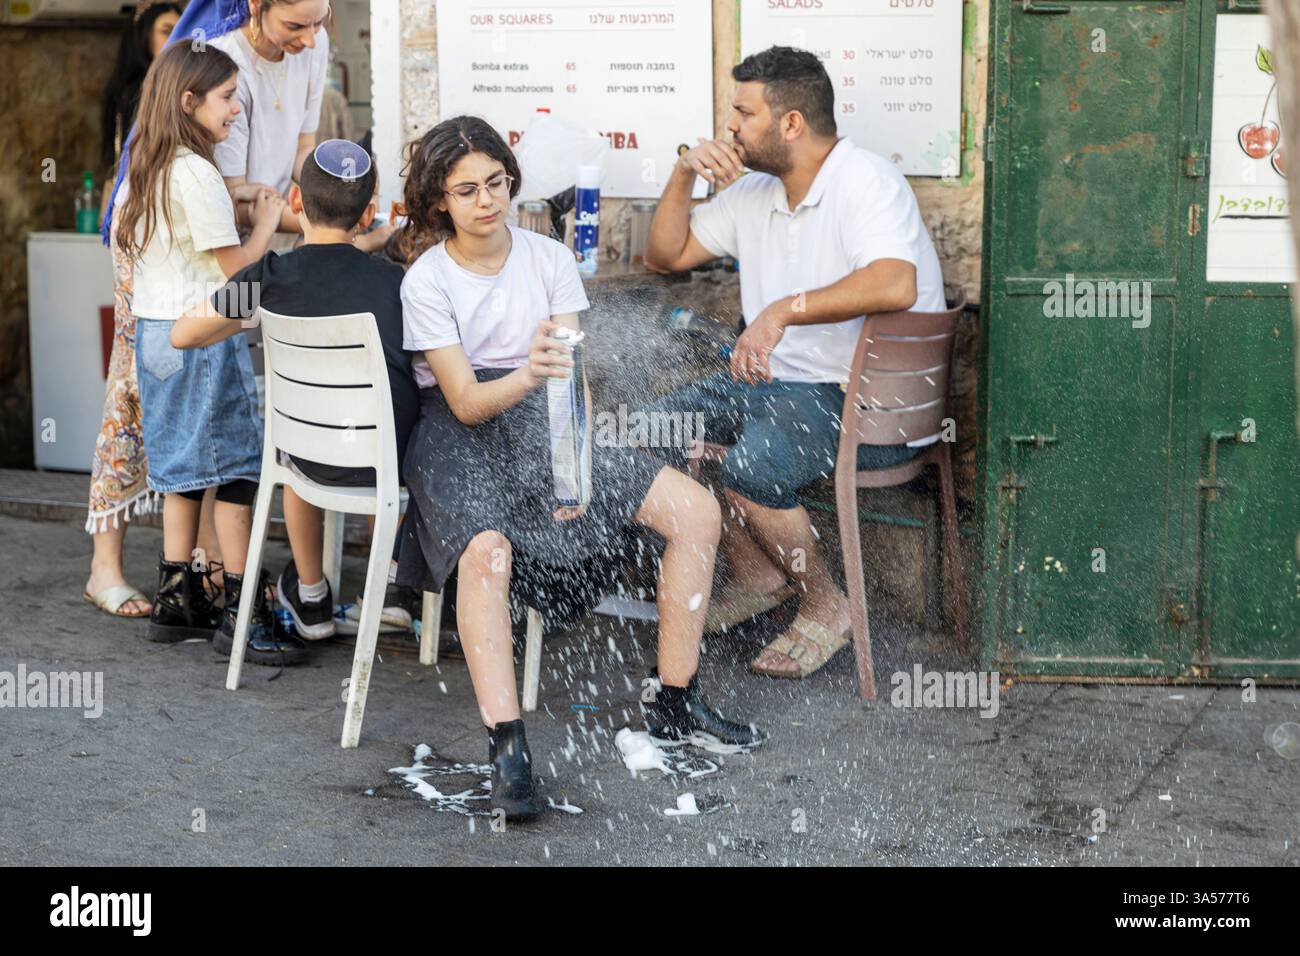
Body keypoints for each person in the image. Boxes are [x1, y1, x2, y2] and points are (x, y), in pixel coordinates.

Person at [393, 116, 766, 821]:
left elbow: (573, 381)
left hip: (549, 418)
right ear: (440, 200)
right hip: (457, 429)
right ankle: (507, 747)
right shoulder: (427, 281)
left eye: (497, 183)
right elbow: (467, 402)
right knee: (487, 553)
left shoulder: (548, 259)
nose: (486, 200)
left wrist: (575, 465)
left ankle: (675, 702)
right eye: (466, 190)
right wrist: (533, 375)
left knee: (697, 511)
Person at [642, 46, 946, 679]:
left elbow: (895, 283)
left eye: (743, 114)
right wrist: (682, 176)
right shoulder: (756, 193)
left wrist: (783, 309)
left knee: (751, 465)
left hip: (865, 406)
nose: (730, 128)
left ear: (791, 124)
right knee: (651, 429)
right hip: (776, 390)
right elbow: (666, 255)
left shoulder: (865, 180)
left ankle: (824, 601)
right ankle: (758, 578)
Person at [171, 139, 419, 646]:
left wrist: (243, 318)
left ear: (296, 201)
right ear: (369, 213)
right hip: (388, 462)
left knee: (296, 456)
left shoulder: (270, 276)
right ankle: (390, 586)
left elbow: (183, 333)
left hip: (308, 458)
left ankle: (311, 596)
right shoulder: (396, 283)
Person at [115, 41, 305, 664]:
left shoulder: (152, 163)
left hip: (157, 333)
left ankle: (178, 599)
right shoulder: (196, 174)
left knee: (183, 470)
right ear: (189, 100)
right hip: (199, 335)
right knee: (236, 470)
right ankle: (239, 607)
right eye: (227, 99)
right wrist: (267, 223)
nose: (235, 111)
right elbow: (237, 277)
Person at [85, 0, 199, 621]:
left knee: (179, 408)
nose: (234, 110)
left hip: (174, 294)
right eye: (225, 99)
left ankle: (194, 566)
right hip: (147, 291)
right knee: (127, 399)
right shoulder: (147, 150)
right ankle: (104, 566)